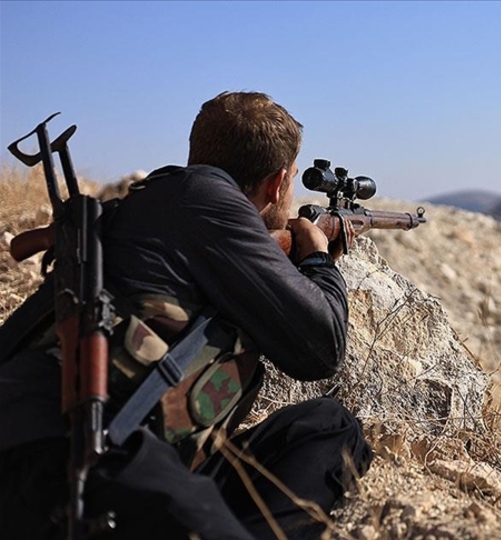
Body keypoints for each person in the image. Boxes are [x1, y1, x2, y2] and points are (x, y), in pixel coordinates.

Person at [0, 91, 373, 539]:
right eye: (292, 180)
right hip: (75, 453)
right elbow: (322, 348)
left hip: (72, 432)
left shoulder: (154, 201)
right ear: (276, 183)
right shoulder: (210, 204)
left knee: (331, 429)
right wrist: (317, 257)